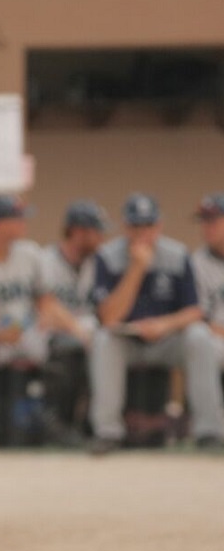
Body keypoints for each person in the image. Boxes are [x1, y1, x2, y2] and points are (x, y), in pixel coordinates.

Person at [0, 194, 85, 452]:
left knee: (69, 348)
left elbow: (45, 299)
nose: (23, 223)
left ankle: (59, 422)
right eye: (16, 218)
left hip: (29, 333)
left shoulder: (30, 253)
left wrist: (49, 317)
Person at [88, 192, 224, 454]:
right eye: (136, 226)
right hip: (126, 341)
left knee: (198, 337)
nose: (142, 233)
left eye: (148, 225)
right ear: (126, 227)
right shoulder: (108, 257)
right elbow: (109, 318)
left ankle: (209, 431)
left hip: (168, 340)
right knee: (104, 340)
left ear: (159, 225)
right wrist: (137, 269)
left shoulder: (177, 255)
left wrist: (163, 325)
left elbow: (194, 311)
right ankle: (108, 432)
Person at [37, 199, 109, 440]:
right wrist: (77, 329)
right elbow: (45, 307)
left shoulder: (100, 263)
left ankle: (91, 426)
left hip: (89, 333)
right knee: (70, 345)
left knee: (102, 344)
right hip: (50, 335)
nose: (101, 237)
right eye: (95, 231)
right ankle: (59, 423)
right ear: (77, 232)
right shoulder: (45, 260)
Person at [190, 192, 224, 400]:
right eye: (204, 221)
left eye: (213, 221)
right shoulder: (196, 263)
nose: (207, 228)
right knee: (203, 343)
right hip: (216, 337)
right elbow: (196, 315)